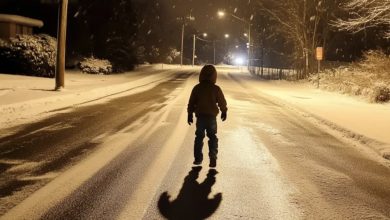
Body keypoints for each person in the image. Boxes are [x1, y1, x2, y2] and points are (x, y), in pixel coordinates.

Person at [187, 64, 227, 168]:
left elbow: (191, 102)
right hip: (211, 117)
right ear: (214, 76)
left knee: (199, 137)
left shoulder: (197, 88)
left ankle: (198, 159)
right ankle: (213, 156)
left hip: (200, 117)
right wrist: (224, 111)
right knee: (212, 137)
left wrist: (190, 114)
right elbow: (221, 101)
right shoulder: (216, 89)